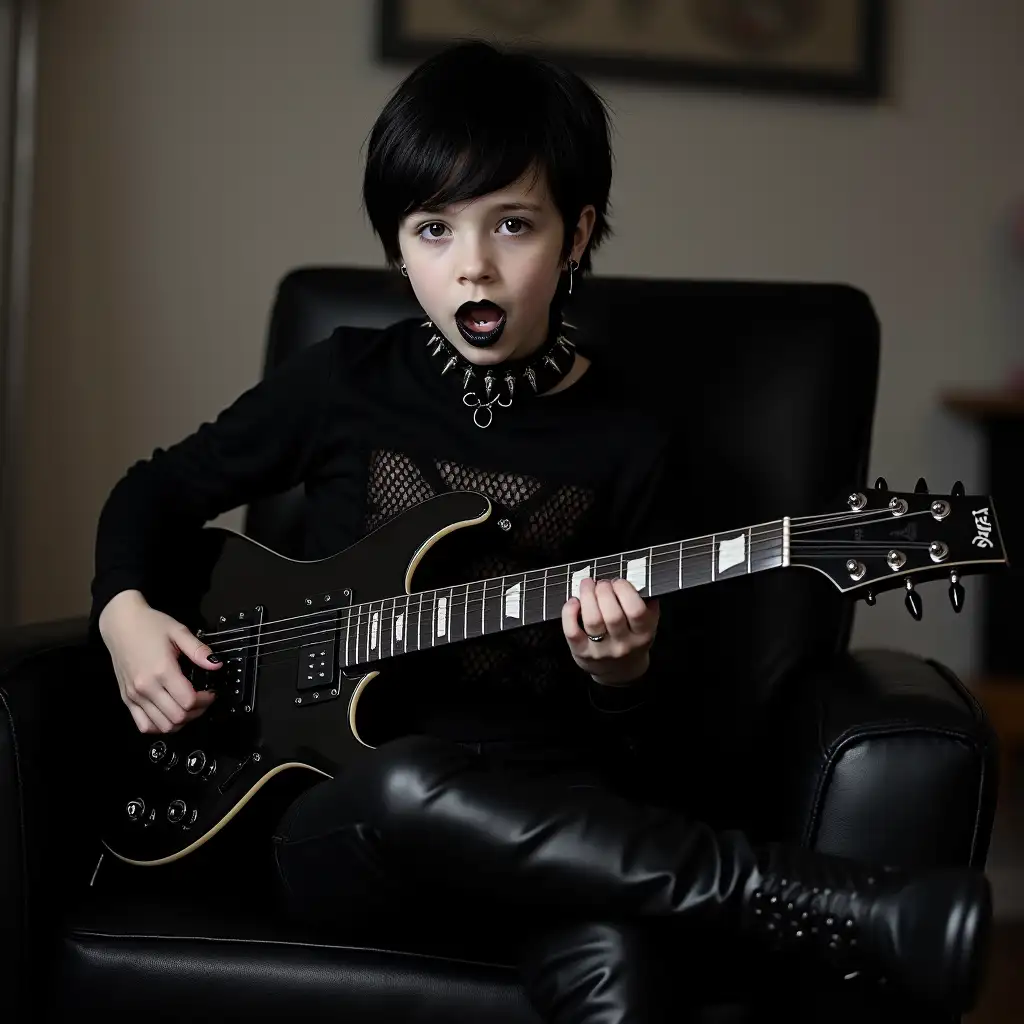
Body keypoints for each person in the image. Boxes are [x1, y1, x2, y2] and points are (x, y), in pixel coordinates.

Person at [91, 40, 991, 1023]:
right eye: (432, 230)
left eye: (511, 225)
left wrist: (620, 676)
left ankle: (813, 908)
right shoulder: (342, 381)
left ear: (576, 234)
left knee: (620, 965)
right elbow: (152, 491)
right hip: (346, 821)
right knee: (409, 782)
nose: (470, 266)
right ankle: (826, 904)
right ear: (397, 246)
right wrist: (124, 614)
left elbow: (659, 739)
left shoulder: (631, 441)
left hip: (551, 821)